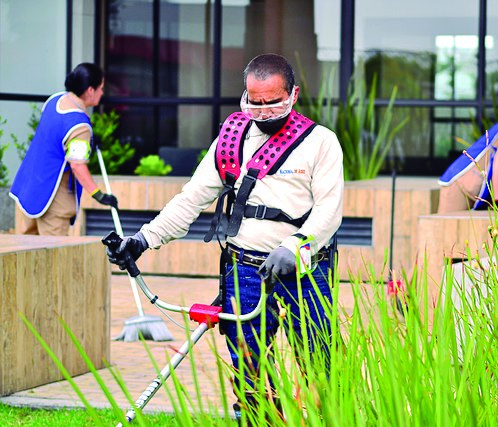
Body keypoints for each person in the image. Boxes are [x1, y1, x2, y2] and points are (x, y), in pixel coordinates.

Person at [106, 54, 344, 419]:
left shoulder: (320, 143)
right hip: (244, 269)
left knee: (319, 362)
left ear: (293, 95)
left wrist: (295, 246)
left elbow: (329, 211)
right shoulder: (231, 138)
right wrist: (143, 239)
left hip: (304, 270)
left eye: (273, 104)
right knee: (247, 369)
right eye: (254, 103)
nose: (263, 112)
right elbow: (191, 199)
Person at [10, 62, 119, 235]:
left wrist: (87, 140)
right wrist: (99, 195)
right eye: (101, 88)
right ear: (90, 90)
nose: (102, 93)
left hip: (27, 188)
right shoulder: (79, 126)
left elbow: (53, 135)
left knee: (26, 256)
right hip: (52, 202)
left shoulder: (55, 99)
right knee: (52, 259)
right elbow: (77, 165)